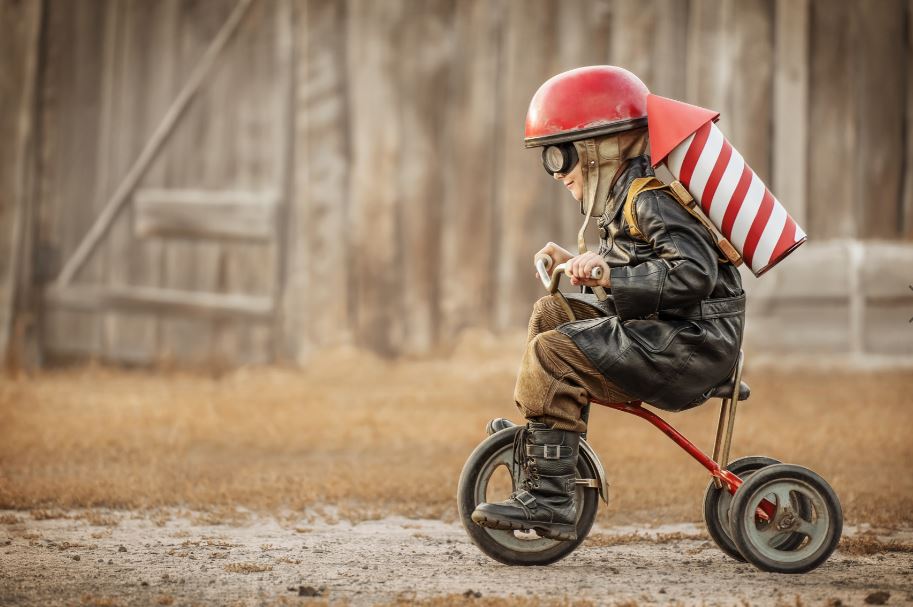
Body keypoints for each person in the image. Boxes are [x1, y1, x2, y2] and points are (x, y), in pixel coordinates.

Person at [471, 66, 746, 541]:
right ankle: (546, 436)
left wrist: (610, 273)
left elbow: (694, 274)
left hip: (691, 348)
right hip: (669, 337)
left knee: (551, 351)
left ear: (603, 148)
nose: (557, 173)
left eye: (562, 156)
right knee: (551, 314)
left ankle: (552, 500)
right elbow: (637, 263)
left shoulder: (650, 200)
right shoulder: (626, 202)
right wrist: (581, 261)